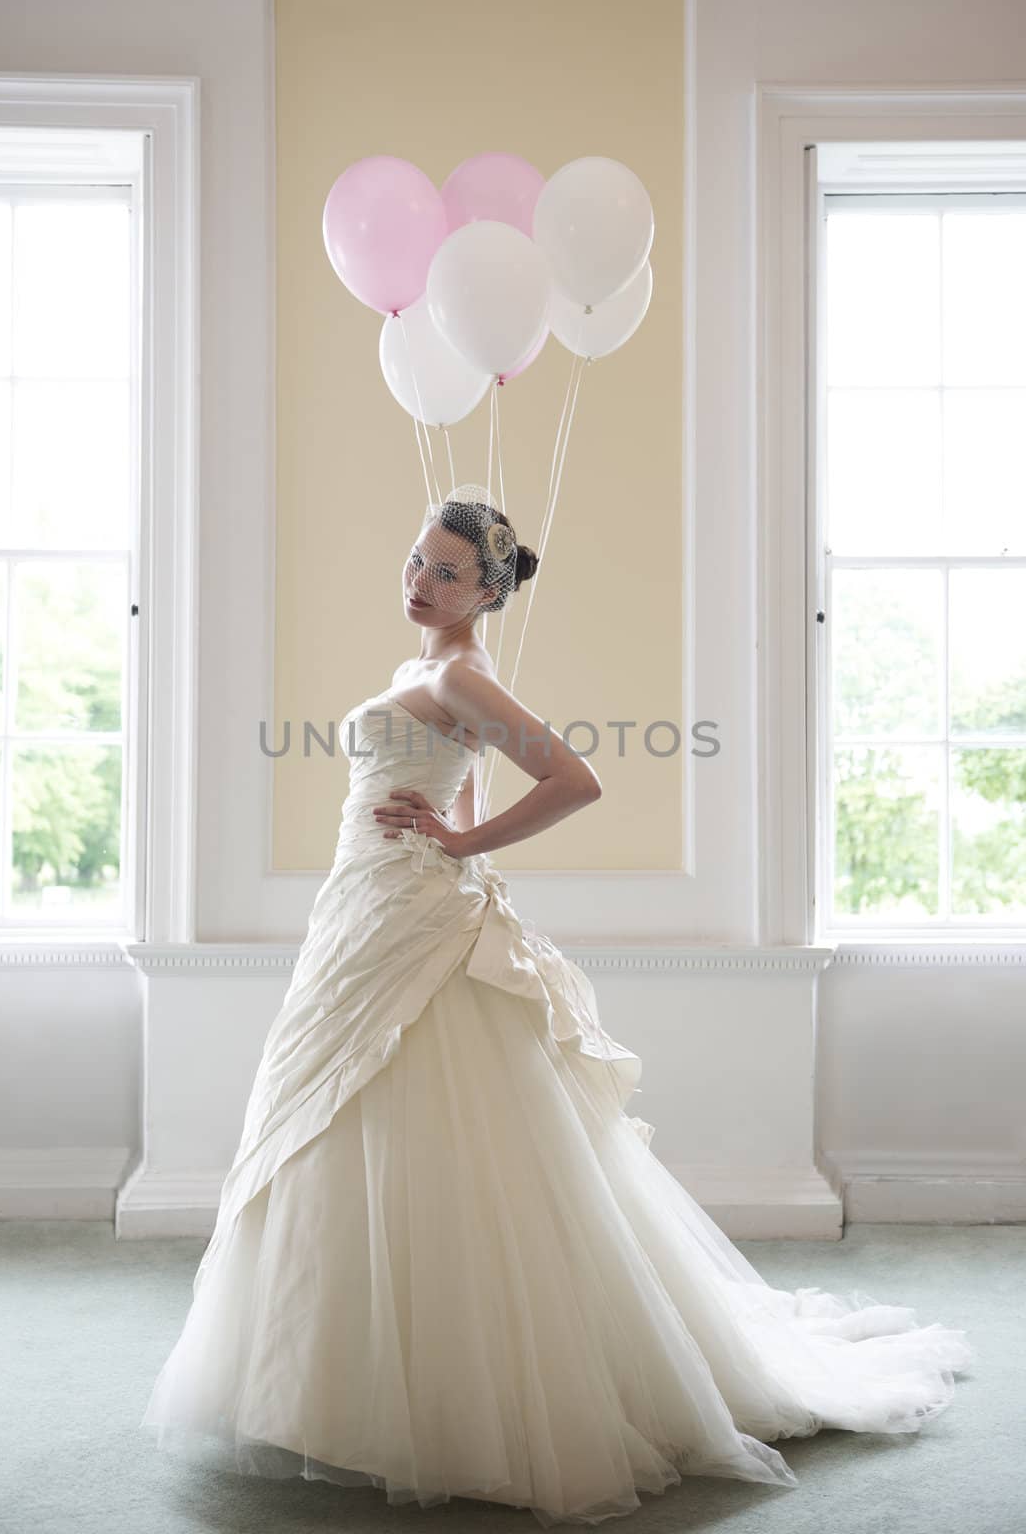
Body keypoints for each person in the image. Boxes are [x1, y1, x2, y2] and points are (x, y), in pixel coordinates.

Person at [140, 487, 975, 1528]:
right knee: (347, 1118)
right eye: (415, 559)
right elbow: (470, 781)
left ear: (490, 589)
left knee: (431, 1121)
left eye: (447, 571)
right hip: (370, 909)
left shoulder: (455, 669)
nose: (419, 581)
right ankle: (332, 1384)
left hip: (408, 912)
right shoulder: (424, 670)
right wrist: (458, 842)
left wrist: (457, 851)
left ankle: (441, 1397)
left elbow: (573, 779)